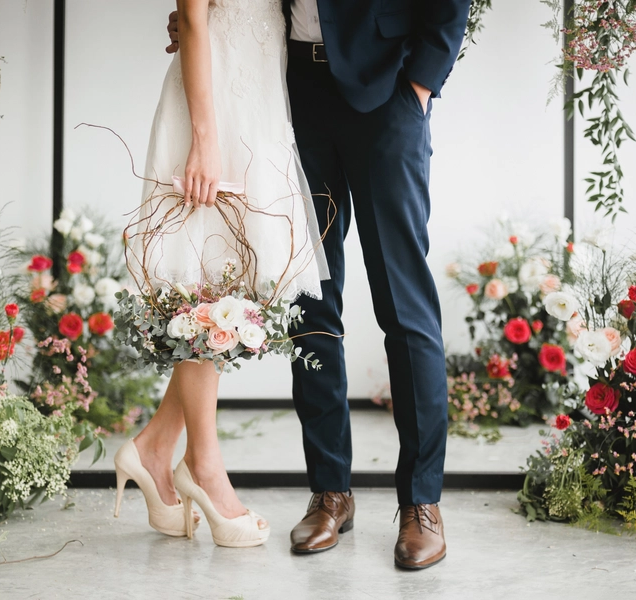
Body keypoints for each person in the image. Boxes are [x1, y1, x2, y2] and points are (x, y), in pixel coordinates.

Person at [167, 0, 471, 569]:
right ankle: (330, 491)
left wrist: (419, 87)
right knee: (311, 302)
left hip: (389, 88)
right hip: (297, 92)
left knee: (404, 306)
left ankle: (422, 502)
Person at [113, 0, 327, 549]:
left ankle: (155, 447)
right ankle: (203, 467)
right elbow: (194, 16)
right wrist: (205, 141)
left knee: (224, 290)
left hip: (258, 100)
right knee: (202, 287)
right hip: (212, 111)